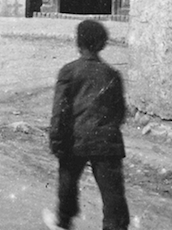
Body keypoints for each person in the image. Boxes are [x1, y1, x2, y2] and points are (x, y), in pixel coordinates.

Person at [43, 19, 129, 230]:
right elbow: (120, 111)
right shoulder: (112, 74)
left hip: (75, 138)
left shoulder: (69, 72)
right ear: (103, 44)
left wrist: (56, 140)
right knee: (112, 193)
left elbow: (59, 112)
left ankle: (64, 221)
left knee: (68, 181)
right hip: (106, 140)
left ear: (78, 42)